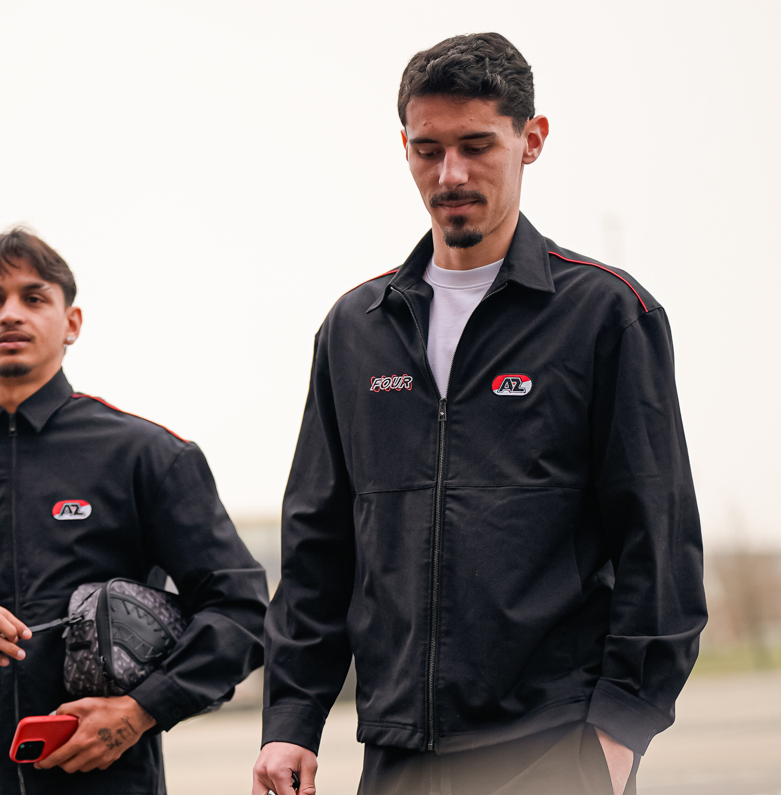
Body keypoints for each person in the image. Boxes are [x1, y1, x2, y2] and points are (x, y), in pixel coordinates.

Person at [252, 32, 706, 795]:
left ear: (532, 140)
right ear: (403, 146)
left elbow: (657, 540)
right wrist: (291, 719)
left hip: (551, 744)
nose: (450, 174)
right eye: (428, 149)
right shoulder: (355, 328)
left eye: (476, 146)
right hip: (397, 746)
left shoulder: (606, 315)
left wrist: (617, 733)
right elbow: (318, 547)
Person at [0, 228, 269, 795]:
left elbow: (241, 610)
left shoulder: (146, 456)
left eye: (34, 297)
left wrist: (141, 709)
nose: (11, 313)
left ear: (72, 322)